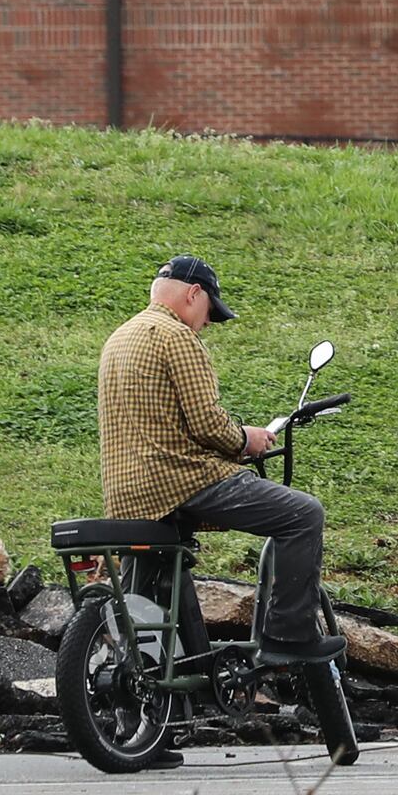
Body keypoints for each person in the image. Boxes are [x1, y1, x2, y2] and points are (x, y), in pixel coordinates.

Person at [96, 255, 343, 665]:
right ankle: (288, 637)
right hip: (180, 482)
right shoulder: (176, 337)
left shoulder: (122, 336)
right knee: (303, 514)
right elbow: (208, 424)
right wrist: (247, 439)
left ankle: (172, 670)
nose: (208, 322)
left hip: (128, 495)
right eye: (211, 311)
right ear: (194, 293)